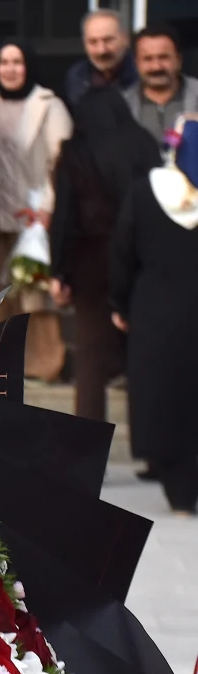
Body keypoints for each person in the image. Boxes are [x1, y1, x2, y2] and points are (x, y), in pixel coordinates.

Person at [50, 88, 161, 423]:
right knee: (145, 360)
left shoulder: (75, 152)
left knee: (90, 363)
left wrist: (59, 271)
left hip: (91, 264)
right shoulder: (144, 144)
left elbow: (64, 217)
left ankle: (87, 453)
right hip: (143, 261)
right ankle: (153, 452)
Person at [111, 116, 198, 516]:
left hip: (156, 310)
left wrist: (121, 304)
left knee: (166, 398)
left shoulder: (146, 191)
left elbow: (123, 252)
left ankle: (179, 494)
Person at [0, 40, 71, 378]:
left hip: (32, 219)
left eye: (17, 62)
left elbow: (63, 161)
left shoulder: (49, 105)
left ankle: (44, 364)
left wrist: (48, 209)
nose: (10, 69)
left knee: (33, 299)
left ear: (28, 66)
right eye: (4, 62)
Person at [122, 24, 198, 142]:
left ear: (178, 60)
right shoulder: (122, 106)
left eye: (163, 57)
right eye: (148, 59)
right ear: (136, 64)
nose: (156, 67)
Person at [63, 8, 137, 111]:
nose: (101, 50)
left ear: (125, 39)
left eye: (108, 40)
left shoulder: (142, 74)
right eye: (93, 42)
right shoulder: (77, 76)